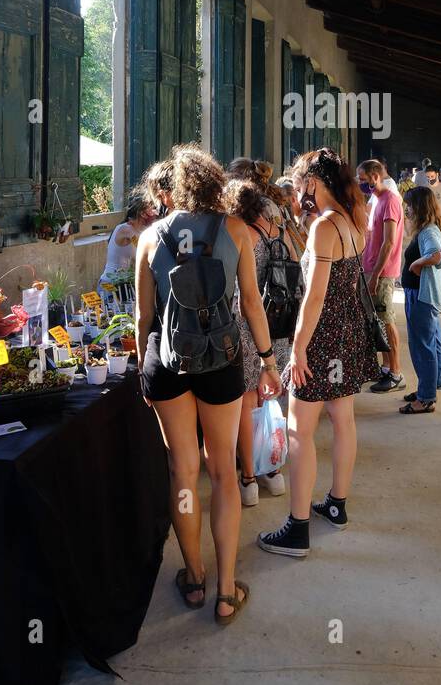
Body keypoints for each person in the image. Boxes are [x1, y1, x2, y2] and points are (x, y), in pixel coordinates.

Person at [135, 145, 281, 624]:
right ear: (214, 181)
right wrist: (267, 361)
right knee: (222, 474)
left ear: (171, 190)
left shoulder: (149, 236)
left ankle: (194, 578)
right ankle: (224, 590)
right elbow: (253, 307)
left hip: (168, 361)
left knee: (183, 473)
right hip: (221, 360)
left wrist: (144, 368)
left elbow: (144, 317)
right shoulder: (235, 230)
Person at [258, 148, 378, 557]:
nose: (296, 188)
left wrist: (298, 350)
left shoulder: (325, 227)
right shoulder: (352, 220)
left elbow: (315, 296)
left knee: (299, 432)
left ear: (313, 182)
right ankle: (337, 505)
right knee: (343, 420)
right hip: (348, 336)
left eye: (299, 181)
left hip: (322, 337)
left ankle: (297, 529)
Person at [226, 158, 301, 506]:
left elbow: (245, 297)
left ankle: (248, 479)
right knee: (271, 398)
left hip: (249, 325)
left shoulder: (242, 234)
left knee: (247, 402)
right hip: (281, 324)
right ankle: (274, 471)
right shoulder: (279, 230)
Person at [357, 159, 405, 394]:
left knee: (387, 321)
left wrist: (375, 274)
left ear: (375, 176)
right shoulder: (375, 200)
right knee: (377, 322)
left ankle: (396, 372)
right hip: (371, 267)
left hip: (382, 272)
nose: (360, 183)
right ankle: (386, 367)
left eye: (363, 179)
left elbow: (389, 241)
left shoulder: (390, 201)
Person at [398, 185, 441, 415]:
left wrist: (416, 264)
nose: (406, 210)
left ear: (418, 207)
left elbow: (435, 255)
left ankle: (426, 397)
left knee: (422, 345)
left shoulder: (428, 231)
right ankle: (428, 387)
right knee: (431, 341)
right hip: (422, 295)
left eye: (409, 206)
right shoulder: (429, 228)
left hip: (421, 296)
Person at [99, 191, 156, 294]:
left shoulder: (136, 230)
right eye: (151, 209)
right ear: (142, 213)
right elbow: (144, 249)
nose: (154, 212)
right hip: (110, 283)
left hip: (122, 284)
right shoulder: (126, 229)